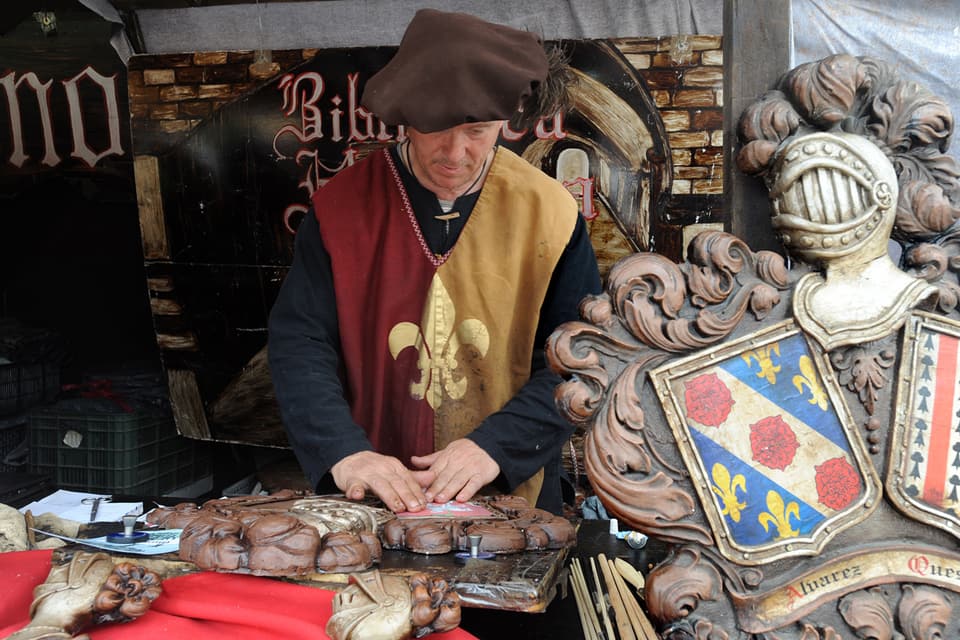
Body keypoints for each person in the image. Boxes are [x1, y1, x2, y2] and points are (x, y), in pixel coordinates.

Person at [268, 8, 601, 516]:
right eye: (436, 129)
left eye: (478, 130)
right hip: (373, 491)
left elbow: (577, 359)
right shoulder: (340, 208)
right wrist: (344, 450)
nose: (455, 152)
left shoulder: (549, 213)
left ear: (505, 123)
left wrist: (497, 446)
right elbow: (302, 341)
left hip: (509, 489)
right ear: (406, 116)